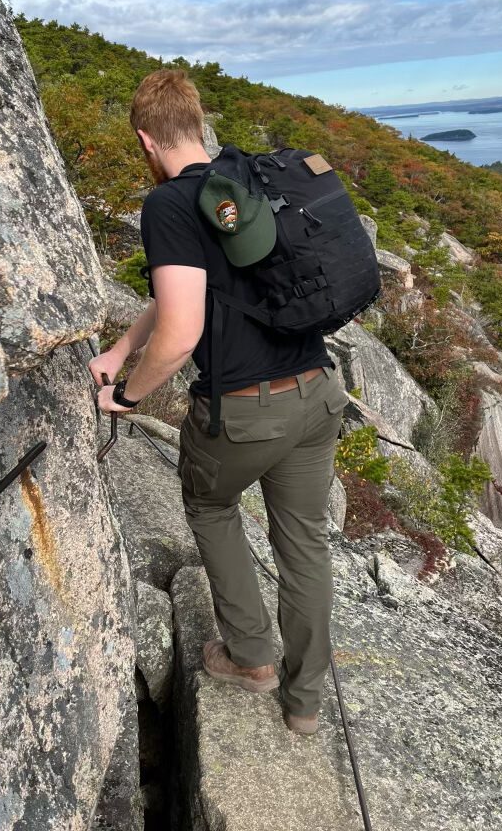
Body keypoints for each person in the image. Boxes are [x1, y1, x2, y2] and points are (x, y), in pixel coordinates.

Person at [89, 69, 346, 735]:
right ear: (199, 125)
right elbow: (190, 289)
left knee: (210, 503)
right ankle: (305, 703)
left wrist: (128, 392)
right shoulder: (244, 184)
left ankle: (251, 656)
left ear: (146, 139)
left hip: (246, 411)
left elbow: (181, 332)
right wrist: (120, 348)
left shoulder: (170, 205)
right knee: (305, 546)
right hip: (318, 393)